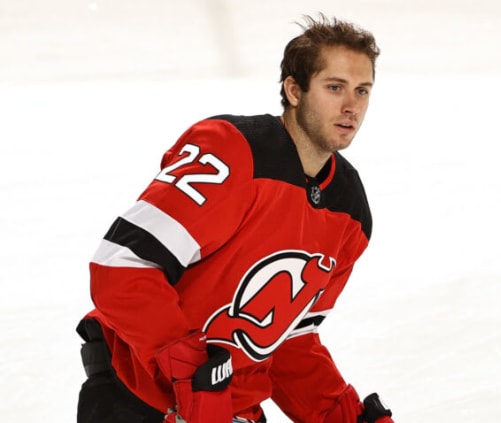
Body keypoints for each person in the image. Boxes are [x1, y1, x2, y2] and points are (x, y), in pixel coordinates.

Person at [75, 14, 394, 423]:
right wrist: (191, 375)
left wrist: (340, 415)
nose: (351, 106)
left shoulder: (349, 211)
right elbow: (122, 265)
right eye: (335, 88)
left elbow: (286, 341)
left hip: (228, 407)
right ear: (294, 90)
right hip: (138, 396)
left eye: (362, 90)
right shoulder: (231, 151)